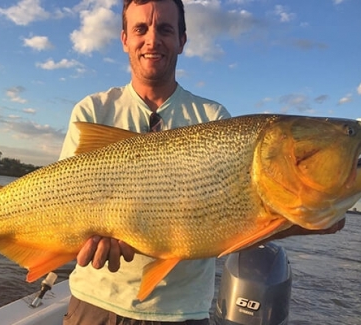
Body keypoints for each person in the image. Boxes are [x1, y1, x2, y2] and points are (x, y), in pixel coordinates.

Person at [58, 0, 345, 324]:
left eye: (165, 29)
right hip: (94, 306)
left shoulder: (214, 119)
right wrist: (82, 242)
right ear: (124, 38)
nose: (152, 40)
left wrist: (307, 218)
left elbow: (236, 224)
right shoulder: (91, 111)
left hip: (183, 314)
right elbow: (64, 205)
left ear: (182, 39)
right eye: (141, 28)